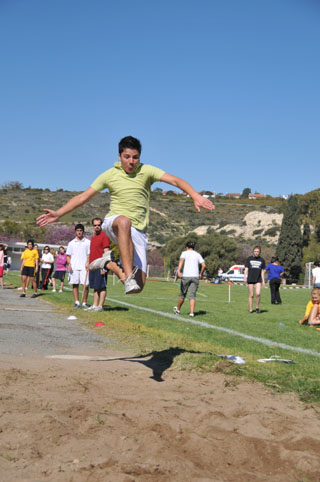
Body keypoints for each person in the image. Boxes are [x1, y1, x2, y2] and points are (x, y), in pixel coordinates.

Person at [36, 136, 214, 295]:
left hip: (138, 232)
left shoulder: (147, 171)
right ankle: (128, 275)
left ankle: (109, 264)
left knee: (138, 287)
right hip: (114, 222)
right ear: (119, 156)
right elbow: (83, 197)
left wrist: (195, 195)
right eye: (127, 157)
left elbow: (175, 180)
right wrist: (59, 213)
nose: (131, 161)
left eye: (135, 157)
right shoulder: (110, 175)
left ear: (139, 158)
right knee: (124, 221)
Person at [87, 218, 125, 312]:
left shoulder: (104, 236)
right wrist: (88, 262)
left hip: (101, 265)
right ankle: (95, 305)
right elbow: (91, 252)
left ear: (101, 225)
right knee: (95, 287)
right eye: (95, 225)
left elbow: (106, 252)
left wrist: (104, 267)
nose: (97, 227)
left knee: (102, 286)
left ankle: (100, 306)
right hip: (93, 265)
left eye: (98, 225)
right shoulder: (93, 237)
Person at [173, 241, 205, 317]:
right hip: (195, 276)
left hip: (186, 276)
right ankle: (191, 313)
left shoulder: (184, 253)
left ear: (187, 247)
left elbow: (181, 261)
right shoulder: (198, 254)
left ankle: (178, 309)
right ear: (194, 248)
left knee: (182, 294)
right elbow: (203, 265)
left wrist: (179, 271)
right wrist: (200, 274)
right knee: (192, 295)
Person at [66, 224, 91, 308]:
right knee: (75, 284)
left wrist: (88, 262)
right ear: (75, 232)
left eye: (80, 230)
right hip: (74, 267)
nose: (79, 232)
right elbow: (68, 256)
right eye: (77, 231)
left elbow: (89, 254)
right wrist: (69, 264)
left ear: (83, 231)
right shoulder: (71, 243)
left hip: (85, 267)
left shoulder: (88, 242)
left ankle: (84, 302)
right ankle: (77, 302)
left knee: (86, 285)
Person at [244, 245, 266, 313]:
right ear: (253, 252)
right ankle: (250, 309)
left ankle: (257, 307)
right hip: (250, 278)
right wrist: (244, 276)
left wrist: (263, 281)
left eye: (258, 251)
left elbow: (262, 271)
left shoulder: (262, 260)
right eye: (255, 251)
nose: (256, 252)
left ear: (259, 252)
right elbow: (246, 268)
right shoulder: (249, 258)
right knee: (251, 295)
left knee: (258, 294)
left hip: (258, 279)